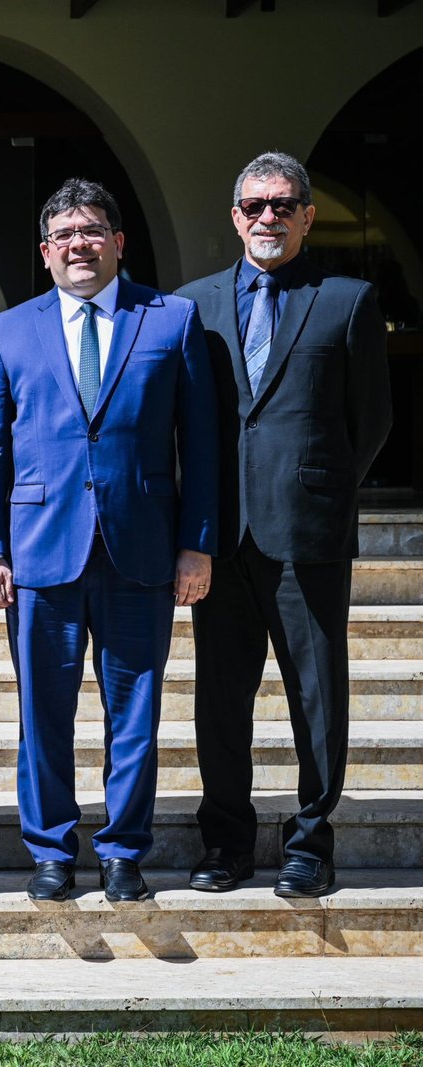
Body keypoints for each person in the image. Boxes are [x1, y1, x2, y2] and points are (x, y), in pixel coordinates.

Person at [0, 178, 218, 903]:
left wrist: (196, 542)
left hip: (141, 545)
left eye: (92, 231)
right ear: (46, 253)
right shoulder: (9, 330)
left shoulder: (171, 320)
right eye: (64, 235)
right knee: (43, 712)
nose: (80, 244)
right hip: (41, 549)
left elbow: (197, 442)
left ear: (118, 242)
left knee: (134, 711)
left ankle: (121, 852)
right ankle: (50, 849)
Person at [177, 151, 391, 899]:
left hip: (309, 533)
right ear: (235, 217)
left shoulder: (348, 300)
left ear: (307, 215)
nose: (268, 216)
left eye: (283, 203)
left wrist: (319, 488)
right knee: (220, 700)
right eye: (254, 205)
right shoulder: (191, 305)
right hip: (220, 539)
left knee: (316, 695)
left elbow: (371, 421)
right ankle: (226, 841)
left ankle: (310, 842)